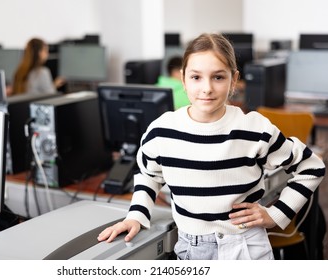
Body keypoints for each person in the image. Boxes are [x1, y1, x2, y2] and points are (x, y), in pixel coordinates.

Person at [97, 33, 326, 260]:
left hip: (245, 246)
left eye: (218, 77)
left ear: (233, 80)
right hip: (190, 248)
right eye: (196, 77)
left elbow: (312, 167)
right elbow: (148, 174)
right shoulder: (161, 131)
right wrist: (136, 215)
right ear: (183, 79)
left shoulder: (254, 129)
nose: (206, 88)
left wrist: (277, 215)